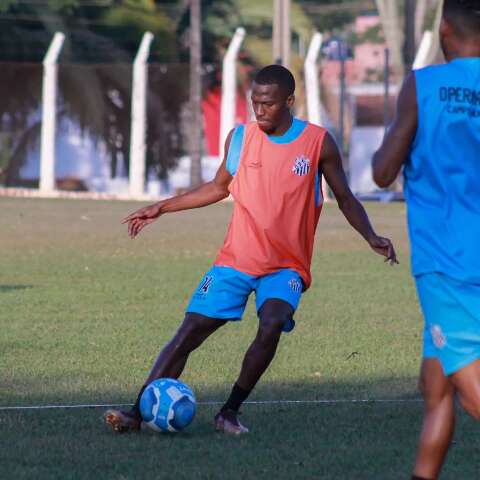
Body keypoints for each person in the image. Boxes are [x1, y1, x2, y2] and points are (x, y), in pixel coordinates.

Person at [105, 64, 397, 435]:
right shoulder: (240, 138)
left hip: (286, 266)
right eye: (254, 102)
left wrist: (370, 235)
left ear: (289, 101)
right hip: (236, 260)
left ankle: (229, 411)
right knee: (191, 330)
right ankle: (134, 411)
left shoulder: (318, 142)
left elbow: (346, 197)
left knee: (272, 322)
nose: (259, 110)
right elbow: (217, 187)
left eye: (268, 104)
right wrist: (161, 207)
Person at [372, 1, 480, 478]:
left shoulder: (424, 84)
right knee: (435, 389)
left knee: (468, 385)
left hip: (447, 260)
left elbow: (382, 171)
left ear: (444, 29)